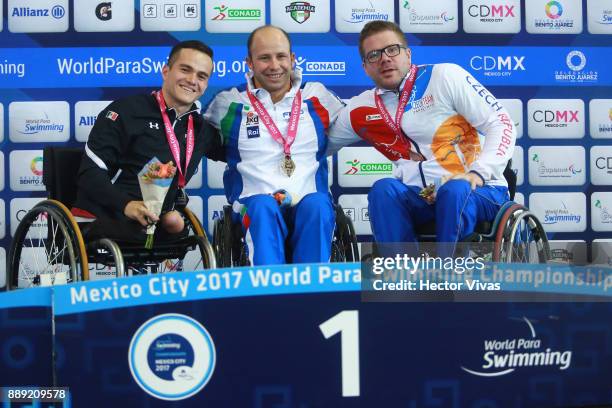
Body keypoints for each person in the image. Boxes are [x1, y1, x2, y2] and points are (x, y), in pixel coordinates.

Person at [328, 21, 516, 255]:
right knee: (383, 189)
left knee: (454, 189)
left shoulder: (444, 76)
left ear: (408, 54)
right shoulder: (360, 109)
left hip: (478, 191)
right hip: (420, 197)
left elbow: (501, 122)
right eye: (374, 55)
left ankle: (447, 278)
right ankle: (401, 276)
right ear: (365, 67)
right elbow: (315, 146)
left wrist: (478, 172)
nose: (385, 58)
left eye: (392, 49)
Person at [204, 25, 344, 265]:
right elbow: (190, 138)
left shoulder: (317, 96)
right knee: (262, 205)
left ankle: (314, 294)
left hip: (309, 203)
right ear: (249, 62)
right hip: (254, 205)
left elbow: (355, 126)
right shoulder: (228, 103)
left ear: (292, 58)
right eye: (264, 58)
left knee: (319, 205)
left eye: (281, 56)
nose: (274, 65)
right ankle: (268, 297)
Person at [73, 40, 224, 241]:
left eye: (201, 76)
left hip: (157, 223)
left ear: (205, 85)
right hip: (109, 217)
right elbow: (89, 174)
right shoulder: (125, 111)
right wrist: (127, 205)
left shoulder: (201, 129)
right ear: (165, 71)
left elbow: (245, 154)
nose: (192, 80)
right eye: (185, 69)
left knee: (178, 225)